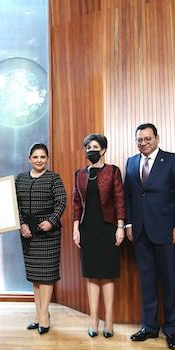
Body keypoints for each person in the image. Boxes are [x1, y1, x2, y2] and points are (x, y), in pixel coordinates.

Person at [124, 123, 175, 350]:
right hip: (141, 232)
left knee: (169, 282)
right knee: (147, 282)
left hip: (167, 232)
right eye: (140, 140)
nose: (143, 143)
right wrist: (129, 224)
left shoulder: (172, 160)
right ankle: (149, 327)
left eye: (147, 139)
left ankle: (171, 331)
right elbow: (129, 197)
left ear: (157, 138)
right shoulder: (131, 162)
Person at [72, 133, 125, 338]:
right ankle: (93, 319)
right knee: (91, 274)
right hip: (88, 228)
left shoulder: (112, 171)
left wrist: (120, 227)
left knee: (107, 274)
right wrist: (76, 228)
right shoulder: (80, 173)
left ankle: (109, 319)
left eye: (94, 147)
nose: (90, 150)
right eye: (87, 147)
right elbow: (77, 203)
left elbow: (120, 200)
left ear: (103, 149)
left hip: (108, 227)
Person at [15, 143, 67, 334]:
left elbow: (62, 200)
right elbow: (14, 204)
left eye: (42, 157)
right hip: (28, 232)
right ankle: (38, 314)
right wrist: (21, 224)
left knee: (46, 276)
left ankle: (45, 314)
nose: (39, 160)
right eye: (35, 157)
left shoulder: (53, 178)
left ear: (47, 159)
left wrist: (51, 221)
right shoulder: (20, 179)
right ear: (29, 159)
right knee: (35, 277)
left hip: (48, 233)